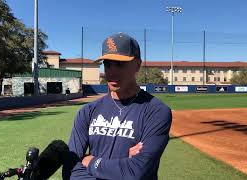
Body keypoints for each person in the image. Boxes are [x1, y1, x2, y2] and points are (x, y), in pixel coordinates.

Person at [65, 33, 172, 180]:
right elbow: (71, 167)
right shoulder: (87, 111)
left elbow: (137, 171)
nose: (112, 72)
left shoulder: (156, 112)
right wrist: (122, 165)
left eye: (120, 64)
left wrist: (92, 162)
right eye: (108, 64)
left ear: (137, 65)